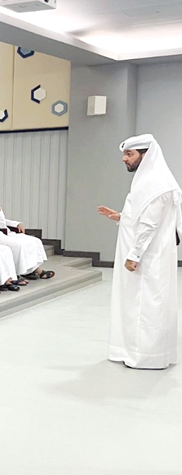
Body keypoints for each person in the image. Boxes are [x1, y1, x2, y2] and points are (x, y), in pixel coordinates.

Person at [98, 134, 182, 369]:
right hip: (145, 254)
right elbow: (143, 218)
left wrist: (134, 255)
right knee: (137, 301)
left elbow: (149, 225)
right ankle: (130, 350)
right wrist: (121, 218)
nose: (125, 159)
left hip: (147, 257)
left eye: (129, 154)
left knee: (145, 303)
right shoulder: (148, 180)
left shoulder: (155, 183)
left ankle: (145, 356)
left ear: (146, 155)